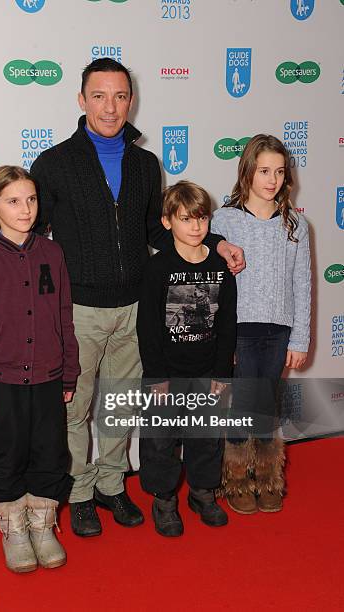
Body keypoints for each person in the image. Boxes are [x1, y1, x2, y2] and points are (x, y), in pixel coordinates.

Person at [0, 58, 245, 537]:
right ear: (81, 99)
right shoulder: (53, 163)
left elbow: (159, 229)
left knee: (121, 406)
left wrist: (215, 243)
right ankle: (80, 493)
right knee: (73, 408)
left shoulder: (147, 164)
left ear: (132, 100)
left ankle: (112, 485)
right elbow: (23, 230)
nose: (111, 107)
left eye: (121, 96)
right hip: (76, 311)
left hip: (134, 308)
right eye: (101, 95)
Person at [0, 166, 80, 573]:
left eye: (30, 199)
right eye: (12, 201)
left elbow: (63, 316)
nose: (24, 209)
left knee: (49, 454)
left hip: (47, 378)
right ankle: (13, 529)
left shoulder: (52, 252)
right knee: (4, 458)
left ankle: (43, 526)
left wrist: (68, 370)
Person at [211, 134, 311, 515]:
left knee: (266, 406)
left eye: (279, 172)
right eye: (264, 170)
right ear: (247, 171)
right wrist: (222, 338)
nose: (271, 179)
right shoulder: (224, 220)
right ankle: (235, 479)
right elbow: (215, 284)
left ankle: (268, 478)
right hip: (238, 330)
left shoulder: (296, 225)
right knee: (238, 405)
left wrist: (299, 338)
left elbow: (302, 285)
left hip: (278, 331)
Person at [137, 181, 237, 537]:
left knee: (207, 438)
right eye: (185, 219)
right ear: (167, 222)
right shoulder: (157, 268)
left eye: (201, 218)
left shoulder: (221, 268)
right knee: (161, 440)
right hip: (166, 374)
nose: (195, 227)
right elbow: (147, 328)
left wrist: (222, 373)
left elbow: (227, 324)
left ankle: (202, 494)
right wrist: (156, 377)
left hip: (207, 371)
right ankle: (164, 500)